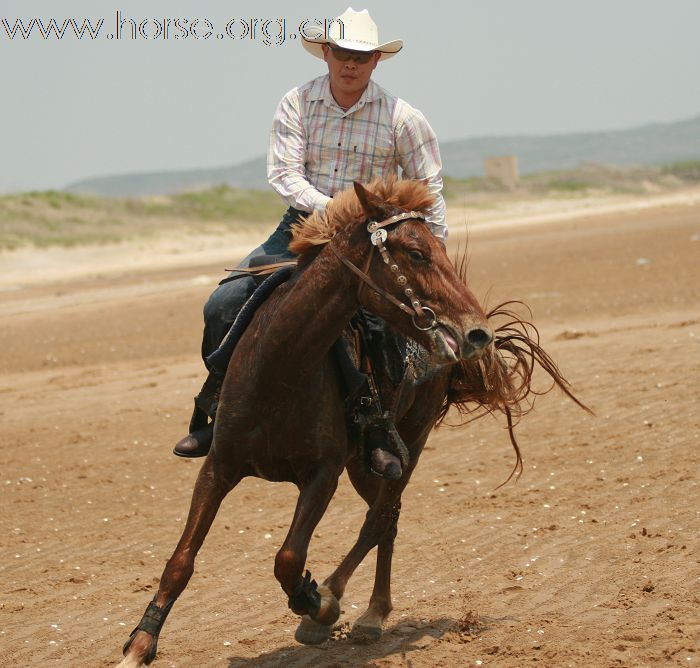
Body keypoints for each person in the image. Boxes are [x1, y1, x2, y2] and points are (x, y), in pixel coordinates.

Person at [174, 7, 447, 459]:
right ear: (326, 53)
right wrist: (336, 211)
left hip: (373, 239)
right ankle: (216, 406)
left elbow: (429, 189)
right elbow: (285, 175)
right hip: (304, 227)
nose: (350, 64)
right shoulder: (297, 103)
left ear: (376, 60)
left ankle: (375, 423)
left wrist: (433, 253)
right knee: (223, 303)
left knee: (382, 323)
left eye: (361, 56)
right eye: (342, 53)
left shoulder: (403, 118)